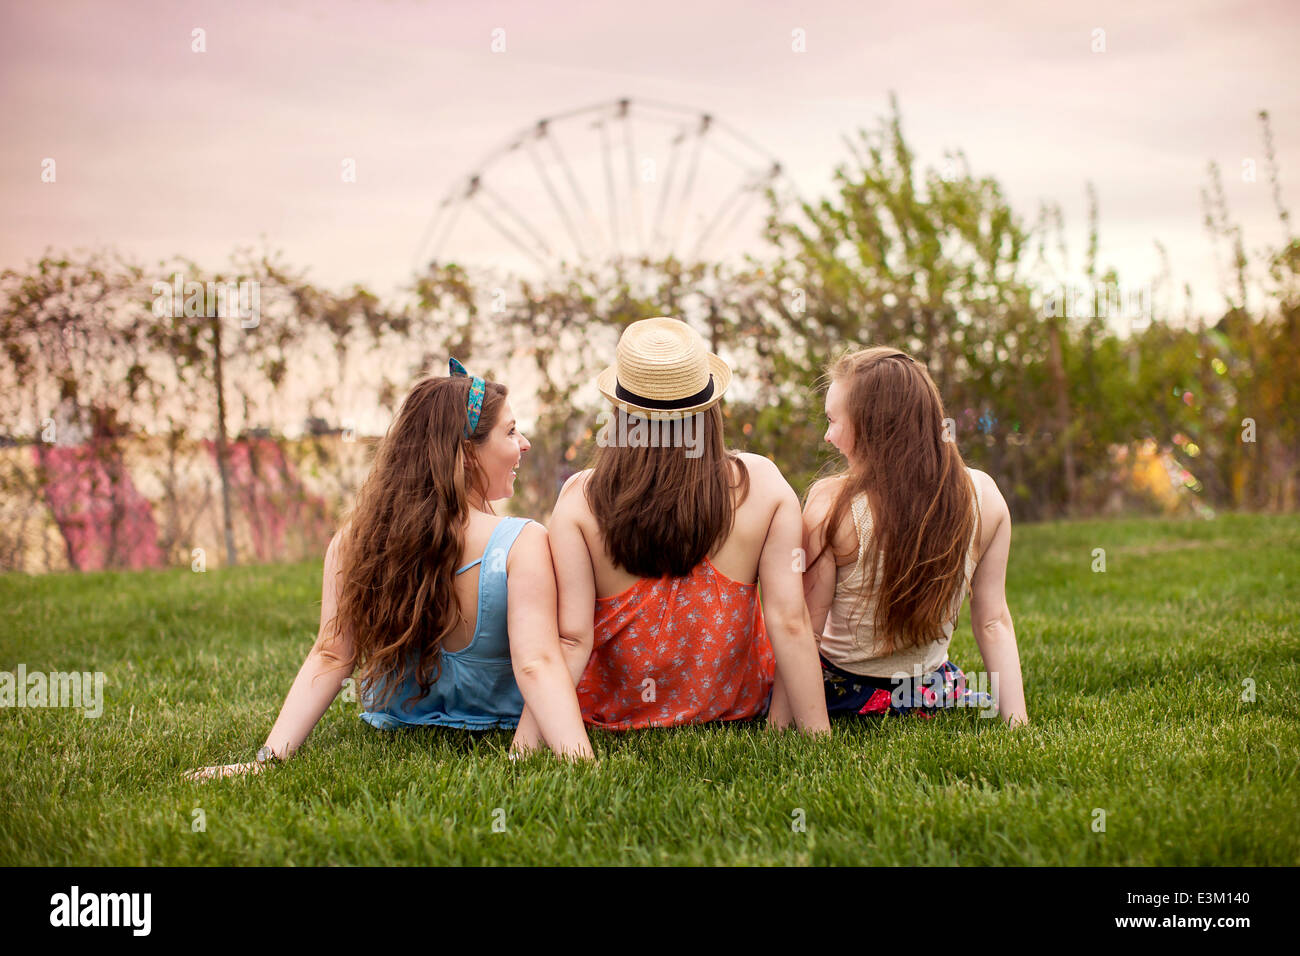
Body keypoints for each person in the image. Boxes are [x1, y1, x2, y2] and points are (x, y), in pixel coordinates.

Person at [185, 359, 593, 780]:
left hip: (400, 724)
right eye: (510, 431)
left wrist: (265, 761)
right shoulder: (522, 543)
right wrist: (580, 764)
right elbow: (538, 663)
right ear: (468, 453)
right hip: (499, 724)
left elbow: (330, 655)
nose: (523, 443)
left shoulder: (356, 540)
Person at [510, 317, 830, 751]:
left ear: (621, 414)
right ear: (709, 409)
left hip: (615, 712)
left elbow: (571, 638)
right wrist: (818, 739)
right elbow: (790, 622)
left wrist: (524, 748)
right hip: (731, 706)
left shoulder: (581, 498)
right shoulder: (764, 484)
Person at [772, 345, 1028, 726]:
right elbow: (993, 623)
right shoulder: (984, 495)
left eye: (833, 421)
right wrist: (1017, 723)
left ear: (872, 426)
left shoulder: (832, 503)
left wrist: (785, 727)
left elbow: (804, 631)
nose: (827, 436)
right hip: (934, 693)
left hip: (845, 696)